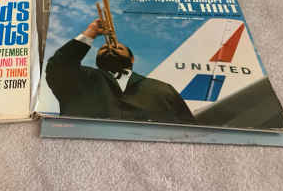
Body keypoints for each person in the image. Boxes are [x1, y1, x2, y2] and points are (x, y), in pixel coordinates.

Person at [46, 19, 196, 124]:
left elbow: (189, 127)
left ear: (132, 59)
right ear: (97, 60)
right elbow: (59, 65)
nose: (110, 47)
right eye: (104, 48)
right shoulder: (78, 79)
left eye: (118, 48)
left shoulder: (163, 89)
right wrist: (90, 33)